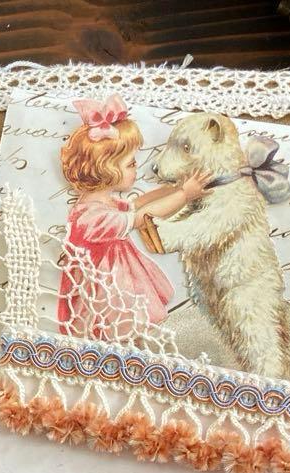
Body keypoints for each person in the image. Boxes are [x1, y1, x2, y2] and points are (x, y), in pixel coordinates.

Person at [57, 94, 210, 339]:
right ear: (107, 170)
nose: (136, 168)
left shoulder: (101, 202)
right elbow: (142, 216)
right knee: (117, 329)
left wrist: (175, 187)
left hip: (117, 281)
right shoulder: (91, 216)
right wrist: (184, 195)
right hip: (105, 292)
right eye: (131, 164)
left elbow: (138, 204)